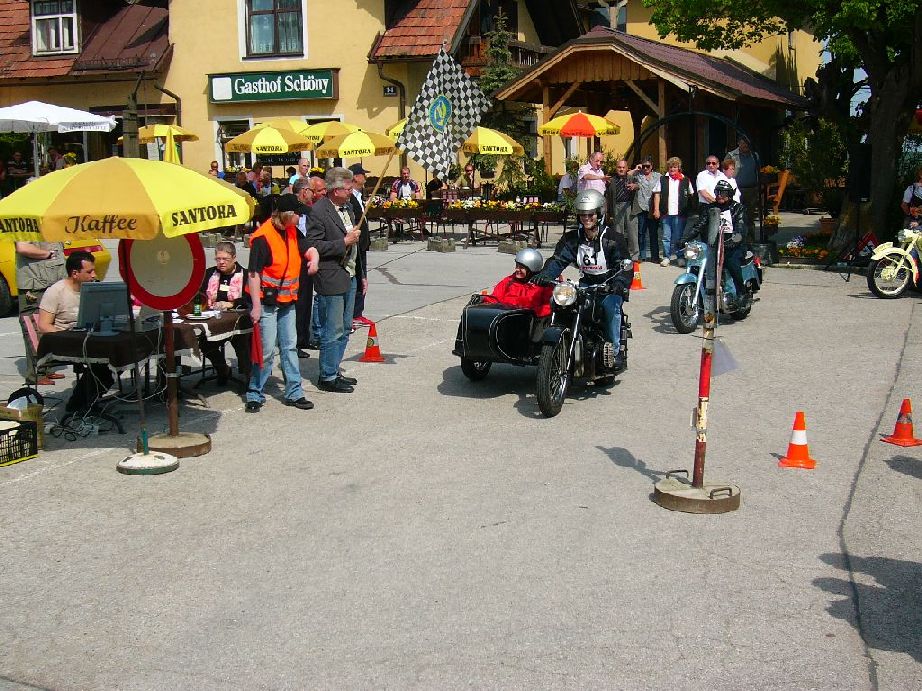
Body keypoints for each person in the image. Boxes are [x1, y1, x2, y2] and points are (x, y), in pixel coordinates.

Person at [534, 189, 631, 370]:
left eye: (590, 214)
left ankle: (616, 351)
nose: (586, 218)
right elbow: (559, 259)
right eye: (583, 214)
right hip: (585, 283)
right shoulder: (572, 238)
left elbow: (623, 265)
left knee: (611, 307)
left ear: (599, 213)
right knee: (560, 303)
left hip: (608, 285)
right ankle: (555, 345)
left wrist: (619, 284)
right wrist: (545, 275)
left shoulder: (613, 238)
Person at [245, 194, 320, 413]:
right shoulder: (263, 237)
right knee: (266, 351)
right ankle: (254, 392)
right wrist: (256, 307)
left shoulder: (292, 231)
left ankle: (294, 393)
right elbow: (253, 274)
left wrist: (314, 259)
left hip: (287, 301)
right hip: (266, 303)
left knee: (289, 347)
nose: (300, 218)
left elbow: (309, 248)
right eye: (298, 214)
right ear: (287, 215)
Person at [306, 167, 364, 393]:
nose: (351, 191)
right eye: (347, 187)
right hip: (331, 274)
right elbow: (313, 245)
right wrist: (343, 242)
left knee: (347, 327)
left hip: (350, 273)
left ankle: (334, 367)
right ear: (335, 189)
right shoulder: (319, 211)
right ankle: (327, 376)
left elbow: (356, 243)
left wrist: (362, 273)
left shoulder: (348, 207)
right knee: (333, 329)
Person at [36, 251, 114, 413]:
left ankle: (87, 402)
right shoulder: (56, 291)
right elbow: (44, 325)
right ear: (75, 273)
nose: (94, 275)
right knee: (102, 366)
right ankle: (78, 405)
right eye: (89, 271)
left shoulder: (92, 289)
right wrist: (67, 338)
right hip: (64, 342)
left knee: (113, 357)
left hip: (87, 338)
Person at [681, 179, 749, 305]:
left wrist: (734, 240)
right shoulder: (710, 208)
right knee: (697, 263)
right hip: (713, 244)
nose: (719, 195)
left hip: (733, 244)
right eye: (717, 192)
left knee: (731, 262)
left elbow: (740, 228)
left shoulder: (738, 208)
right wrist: (684, 239)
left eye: (723, 193)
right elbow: (699, 225)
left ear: (729, 194)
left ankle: (741, 292)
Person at [15, 239, 66, 385]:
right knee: (34, 331)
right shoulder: (24, 227)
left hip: (49, 282)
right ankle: (36, 374)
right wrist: (48, 254)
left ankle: (46, 368)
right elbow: (22, 247)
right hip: (34, 286)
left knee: (47, 330)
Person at [199, 241, 250, 385]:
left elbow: (250, 298)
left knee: (243, 343)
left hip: (238, 321)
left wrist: (232, 303)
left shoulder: (245, 275)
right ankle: (223, 369)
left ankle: (249, 377)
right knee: (205, 344)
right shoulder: (210, 273)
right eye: (218, 259)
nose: (221, 262)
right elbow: (200, 295)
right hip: (213, 320)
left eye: (225, 259)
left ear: (234, 258)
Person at [292, 176, 320, 357]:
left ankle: (303, 338)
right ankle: (295, 342)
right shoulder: (292, 208)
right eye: (311, 191)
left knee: (305, 300)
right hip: (295, 262)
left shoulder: (307, 210)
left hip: (306, 259)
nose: (314, 194)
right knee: (297, 303)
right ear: (304, 191)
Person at [482, 248, 553, 317]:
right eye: (517, 266)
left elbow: (549, 306)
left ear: (532, 269)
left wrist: (532, 313)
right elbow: (495, 298)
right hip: (506, 318)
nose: (517, 269)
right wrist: (484, 300)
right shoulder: (509, 281)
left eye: (521, 267)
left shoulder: (543, 285)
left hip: (530, 321)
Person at [652, 156, 695, 266]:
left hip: (680, 214)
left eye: (675, 167)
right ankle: (666, 257)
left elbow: (691, 194)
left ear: (678, 168)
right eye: (671, 167)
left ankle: (679, 257)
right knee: (666, 237)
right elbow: (657, 194)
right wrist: (656, 209)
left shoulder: (685, 180)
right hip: (666, 213)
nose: (672, 169)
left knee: (678, 237)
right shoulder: (662, 179)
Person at [348, 163, 373, 329]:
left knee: (362, 277)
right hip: (356, 243)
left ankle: (358, 312)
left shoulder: (358, 195)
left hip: (362, 244)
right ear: (356, 177)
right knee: (358, 278)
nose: (365, 177)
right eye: (363, 175)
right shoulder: (350, 197)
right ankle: (354, 313)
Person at [726, 137, 759, 240]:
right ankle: (735, 239)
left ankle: (750, 240)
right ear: (738, 143)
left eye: (747, 143)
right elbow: (725, 172)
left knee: (750, 217)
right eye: (743, 143)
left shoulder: (755, 155)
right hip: (736, 190)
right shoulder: (731, 155)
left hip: (751, 190)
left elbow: (757, 171)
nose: (745, 145)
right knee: (735, 216)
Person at [606, 158, 639, 260]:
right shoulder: (611, 180)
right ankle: (619, 254)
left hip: (629, 206)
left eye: (623, 167)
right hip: (616, 206)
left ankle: (634, 255)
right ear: (616, 168)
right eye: (619, 167)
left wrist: (635, 186)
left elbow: (639, 185)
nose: (621, 169)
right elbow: (607, 196)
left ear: (627, 168)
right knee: (618, 232)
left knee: (632, 232)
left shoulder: (631, 178)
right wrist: (609, 212)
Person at [632, 156, 661, 264]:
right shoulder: (638, 175)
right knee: (641, 233)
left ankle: (655, 256)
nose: (645, 168)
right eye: (643, 166)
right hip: (642, 207)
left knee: (653, 233)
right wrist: (636, 168)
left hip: (653, 207)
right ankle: (642, 255)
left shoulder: (658, 176)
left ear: (652, 166)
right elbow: (627, 174)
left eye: (647, 166)